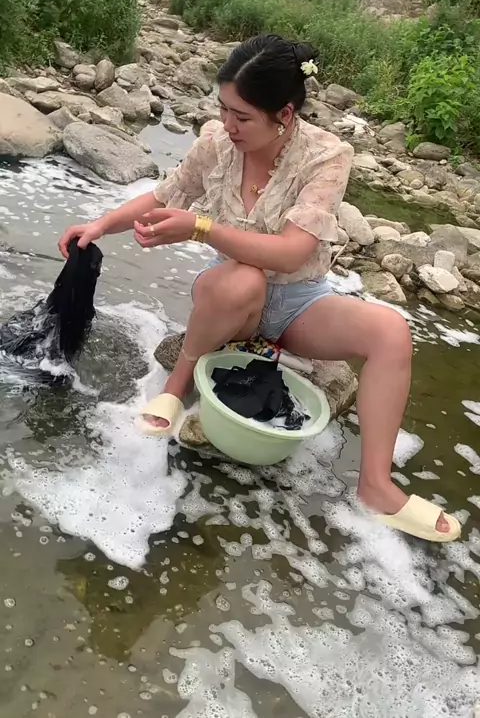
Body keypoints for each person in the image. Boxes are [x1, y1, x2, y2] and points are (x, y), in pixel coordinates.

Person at [59, 34, 460, 543]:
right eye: (223, 108)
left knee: (391, 331)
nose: (228, 125)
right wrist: (99, 225)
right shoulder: (216, 143)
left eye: (242, 117)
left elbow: (292, 253)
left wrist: (200, 228)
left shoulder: (326, 156)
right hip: (232, 299)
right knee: (243, 277)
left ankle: (376, 487)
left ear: (284, 115)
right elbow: (165, 195)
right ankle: (174, 388)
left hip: (299, 302)